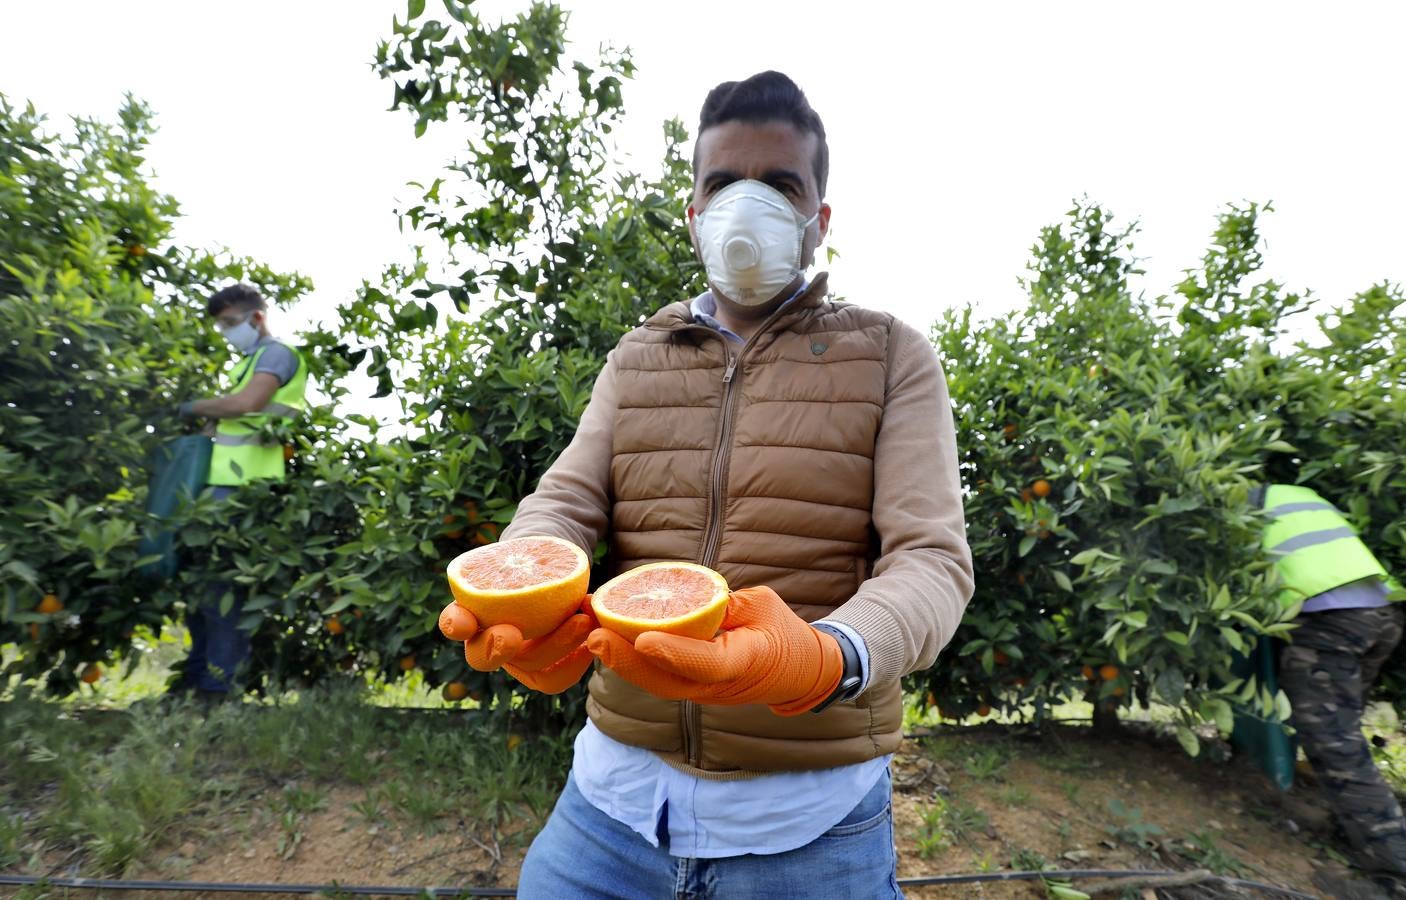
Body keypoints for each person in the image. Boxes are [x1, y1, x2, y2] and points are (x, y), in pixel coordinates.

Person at [438, 71, 972, 898]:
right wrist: (525, 582)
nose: (745, 203)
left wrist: (827, 658)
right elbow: (567, 501)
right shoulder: (637, 355)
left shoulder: (893, 355)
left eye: (779, 184)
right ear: (694, 213)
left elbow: (932, 561)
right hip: (609, 812)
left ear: (817, 219)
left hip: (811, 829)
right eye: (723, 183)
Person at [1255, 483, 1406, 890]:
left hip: (1330, 621)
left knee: (1335, 745)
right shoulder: (1295, 494)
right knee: (1343, 734)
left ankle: (1395, 869)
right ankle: (1356, 829)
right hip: (1381, 614)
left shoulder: (1239, 509)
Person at [171, 283, 307, 700]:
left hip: (246, 490)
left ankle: (217, 688)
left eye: (231, 322)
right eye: (222, 325)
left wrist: (191, 407)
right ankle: (197, 678)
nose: (227, 331)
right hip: (221, 487)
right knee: (200, 589)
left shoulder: (277, 355)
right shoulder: (248, 362)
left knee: (222, 591)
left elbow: (246, 404)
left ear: (257, 318)